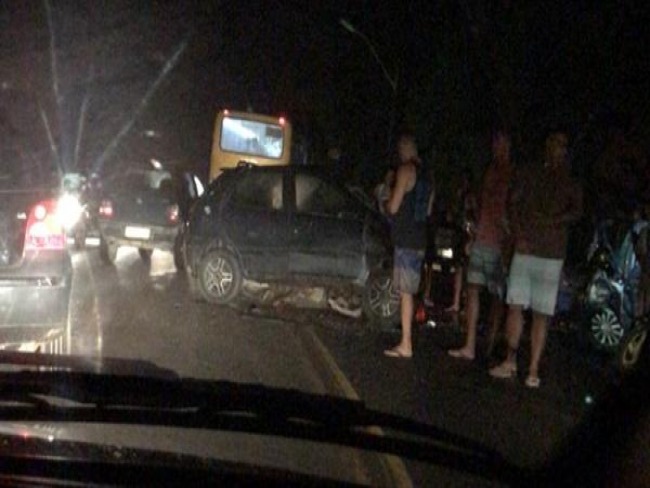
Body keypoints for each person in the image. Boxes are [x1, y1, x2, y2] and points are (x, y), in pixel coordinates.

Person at [489, 129, 582, 388]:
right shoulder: (532, 173)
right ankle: (510, 360)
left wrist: (554, 221)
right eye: (554, 143)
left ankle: (532, 369)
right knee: (516, 305)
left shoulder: (570, 180)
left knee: (542, 312)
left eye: (563, 144)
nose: (558, 149)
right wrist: (519, 235)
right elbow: (513, 203)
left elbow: (576, 211)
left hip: (551, 255)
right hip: (527, 250)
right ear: (547, 146)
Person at [448, 131, 513, 361]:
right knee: (473, 288)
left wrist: (508, 243)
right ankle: (471, 344)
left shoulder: (510, 174)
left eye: (501, 144)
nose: (498, 149)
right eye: (495, 144)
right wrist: (473, 233)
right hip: (481, 239)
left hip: (498, 243)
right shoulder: (490, 172)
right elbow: (482, 206)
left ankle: (491, 342)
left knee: (497, 294)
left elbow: (510, 211)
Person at [383, 133, 432, 358]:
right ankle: (406, 339)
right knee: (409, 290)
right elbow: (428, 211)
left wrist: (384, 197)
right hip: (420, 238)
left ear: (405, 149)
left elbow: (393, 207)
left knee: (405, 293)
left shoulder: (405, 171)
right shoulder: (428, 177)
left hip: (405, 239)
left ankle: (406, 343)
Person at [444, 169, 477, 313]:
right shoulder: (459, 196)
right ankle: (457, 302)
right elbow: (452, 215)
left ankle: (464, 303)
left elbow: (472, 216)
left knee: (467, 271)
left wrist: (472, 236)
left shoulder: (470, 198)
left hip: (467, 236)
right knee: (459, 269)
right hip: (459, 235)